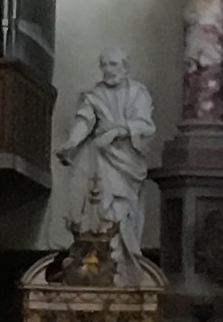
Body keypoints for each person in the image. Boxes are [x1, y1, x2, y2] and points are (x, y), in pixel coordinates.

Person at [57, 46, 159, 249]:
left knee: (125, 209)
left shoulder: (138, 92)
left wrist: (117, 131)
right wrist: (71, 143)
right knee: (103, 205)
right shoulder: (95, 95)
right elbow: (84, 121)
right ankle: (104, 255)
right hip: (102, 158)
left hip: (129, 161)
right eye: (104, 65)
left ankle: (124, 257)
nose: (108, 69)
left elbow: (145, 125)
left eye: (113, 64)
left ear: (125, 67)